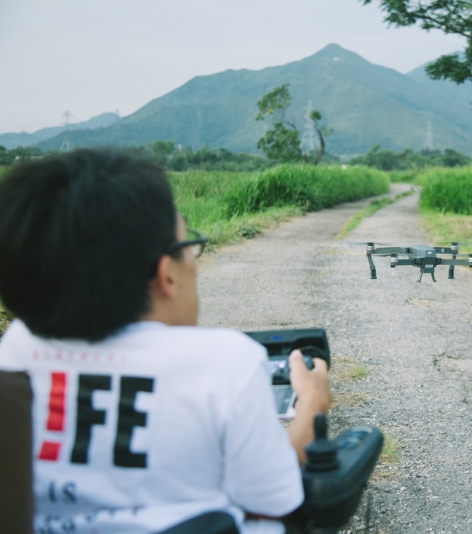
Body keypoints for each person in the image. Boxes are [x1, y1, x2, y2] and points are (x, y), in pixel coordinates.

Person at [0, 149, 331, 534]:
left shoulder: (15, 350)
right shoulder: (226, 362)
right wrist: (311, 406)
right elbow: (275, 501)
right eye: (186, 244)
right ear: (165, 274)